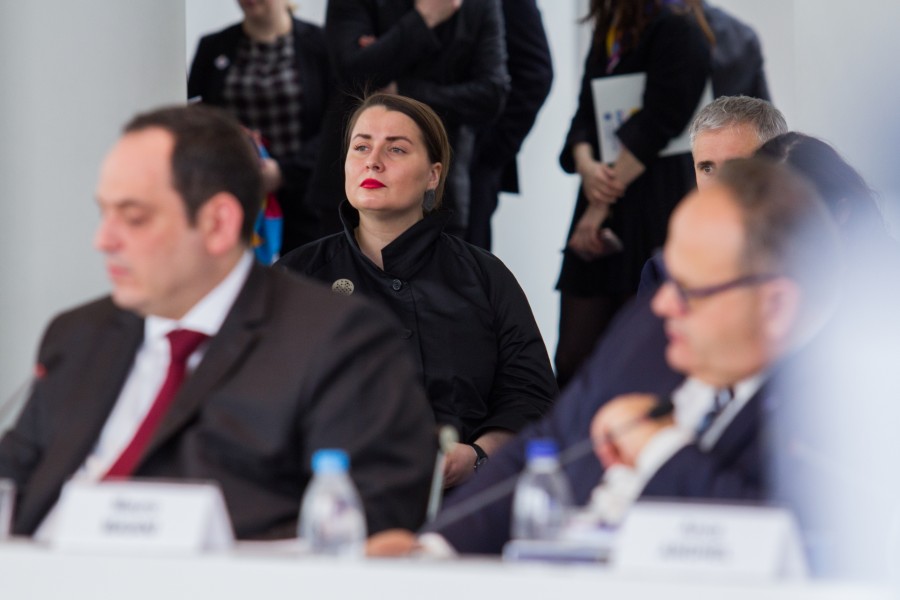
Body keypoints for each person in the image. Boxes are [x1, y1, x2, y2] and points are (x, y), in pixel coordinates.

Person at [0, 105, 436, 540]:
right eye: (104, 213)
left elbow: (372, 521)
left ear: (218, 224)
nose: (104, 240)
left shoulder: (337, 341)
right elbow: (12, 478)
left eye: (134, 218)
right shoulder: (77, 336)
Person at [367, 157, 842, 555]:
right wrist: (435, 551)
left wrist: (659, 450)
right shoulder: (656, 333)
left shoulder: (843, 410)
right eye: (669, 274)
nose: (661, 304)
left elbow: (780, 543)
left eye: (690, 291)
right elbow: (548, 444)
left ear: (775, 306)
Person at [278, 94, 557, 489]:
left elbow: (530, 395)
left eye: (396, 149)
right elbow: (258, 398)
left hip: (459, 500)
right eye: (361, 147)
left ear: (433, 175)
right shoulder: (295, 276)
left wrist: (477, 456)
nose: (373, 161)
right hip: (329, 498)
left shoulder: (484, 275)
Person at [554, 0, 712, 388]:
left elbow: (659, 123)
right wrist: (586, 165)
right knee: (572, 357)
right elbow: (584, 114)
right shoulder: (610, 30)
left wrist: (598, 204)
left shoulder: (679, 27)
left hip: (650, 204)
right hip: (600, 191)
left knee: (639, 357)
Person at [310, 0, 510, 239]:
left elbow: (492, 95)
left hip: (441, 190)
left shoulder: (480, 5)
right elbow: (354, 74)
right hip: (351, 196)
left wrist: (400, 86)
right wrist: (423, 19)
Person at [188, 0, 333, 255]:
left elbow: (336, 123)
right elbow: (198, 117)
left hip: (306, 192)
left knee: (306, 270)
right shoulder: (214, 46)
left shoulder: (321, 44)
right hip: (234, 189)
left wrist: (283, 172)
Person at [637, 95, 788, 295]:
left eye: (735, 166)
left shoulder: (813, 261)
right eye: (707, 168)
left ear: (777, 167)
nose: (719, 184)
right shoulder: (662, 274)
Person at [465, 0, 554, 250]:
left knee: (462, 263)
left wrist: (489, 152)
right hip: (405, 155)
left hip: (472, 162)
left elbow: (535, 75)